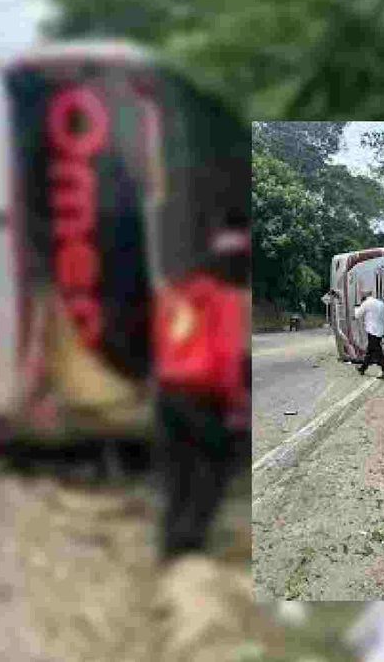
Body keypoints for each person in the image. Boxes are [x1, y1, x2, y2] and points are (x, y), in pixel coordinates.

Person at [153, 223, 249, 560]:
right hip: (202, 397)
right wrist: (236, 404)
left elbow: (162, 344)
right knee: (216, 466)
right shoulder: (224, 299)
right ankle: (190, 541)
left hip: (167, 394)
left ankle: (170, 543)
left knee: (178, 471)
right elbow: (226, 356)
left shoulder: (176, 296)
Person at [354, 289, 384, 380]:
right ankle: (363, 369)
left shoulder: (366, 303)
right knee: (370, 351)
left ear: (365, 297)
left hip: (372, 331)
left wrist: (356, 307)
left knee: (378, 353)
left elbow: (357, 315)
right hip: (380, 331)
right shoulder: (380, 303)